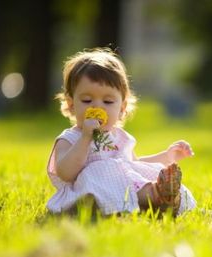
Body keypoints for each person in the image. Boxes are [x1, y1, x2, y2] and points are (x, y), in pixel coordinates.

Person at [47, 48, 196, 217]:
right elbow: (65, 173)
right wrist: (86, 137)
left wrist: (167, 156)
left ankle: (163, 196)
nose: (97, 106)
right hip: (91, 191)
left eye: (108, 101)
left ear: (122, 108)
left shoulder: (120, 137)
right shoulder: (69, 139)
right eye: (87, 100)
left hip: (124, 186)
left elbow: (134, 163)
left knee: (137, 173)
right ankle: (155, 197)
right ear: (72, 104)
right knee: (104, 174)